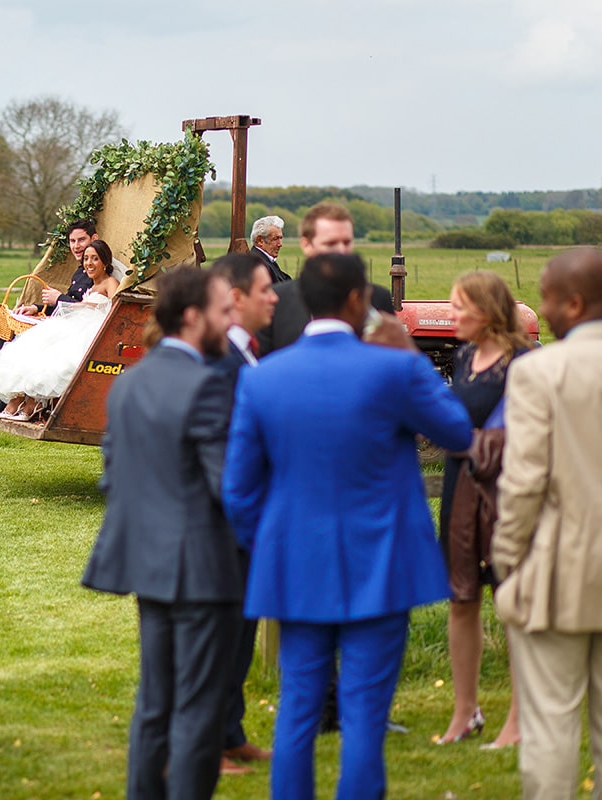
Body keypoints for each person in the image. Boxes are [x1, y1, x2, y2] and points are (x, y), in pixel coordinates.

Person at [222, 252, 472, 799]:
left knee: (297, 707)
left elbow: (238, 490)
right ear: (360, 301)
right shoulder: (396, 367)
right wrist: (407, 351)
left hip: (294, 563)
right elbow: (457, 431)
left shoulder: (264, 379)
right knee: (364, 710)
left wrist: (269, 548)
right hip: (381, 564)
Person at [82, 264, 240, 800]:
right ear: (194, 317)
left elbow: (112, 472)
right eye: (223, 311)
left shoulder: (129, 384)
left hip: (147, 563)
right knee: (198, 708)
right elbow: (232, 490)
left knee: (154, 705)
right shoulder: (209, 386)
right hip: (202, 567)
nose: (230, 320)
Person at [492, 247, 602, 799]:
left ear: (576, 303)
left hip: (559, 567)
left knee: (552, 724)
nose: (541, 307)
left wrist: (507, 560)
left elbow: (523, 481)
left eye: (548, 297)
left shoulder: (540, 370)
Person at [436, 272, 532, 748]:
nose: (452, 316)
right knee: (461, 599)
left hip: (505, 495)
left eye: (460, 308)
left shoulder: (525, 363)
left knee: (510, 602)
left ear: (488, 311)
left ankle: (517, 719)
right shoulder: (465, 355)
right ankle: (464, 711)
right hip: (460, 489)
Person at [207, 252, 278, 774]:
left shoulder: (249, 354)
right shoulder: (217, 362)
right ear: (235, 298)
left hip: (252, 523)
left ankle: (232, 732)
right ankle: (206, 742)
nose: (274, 295)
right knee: (220, 637)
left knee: (242, 635)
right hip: (224, 524)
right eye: (263, 289)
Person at [0, 239, 120, 420]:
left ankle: (30, 407)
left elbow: (115, 308)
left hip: (92, 327)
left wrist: (88, 305)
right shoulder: (91, 286)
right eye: (86, 259)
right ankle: (15, 403)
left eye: (95, 259)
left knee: (56, 357)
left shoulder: (110, 282)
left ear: (105, 262)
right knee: (33, 347)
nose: (89, 263)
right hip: (76, 323)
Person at [257, 203, 393, 356]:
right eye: (331, 243)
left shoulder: (378, 299)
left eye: (347, 242)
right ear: (306, 245)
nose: (341, 250)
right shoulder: (276, 301)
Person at [250, 215, 291, 283]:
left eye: (281, 238)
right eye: (275, 239)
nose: (280, 244)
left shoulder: (267, 261)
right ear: (260, 240)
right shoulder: (259, 266)